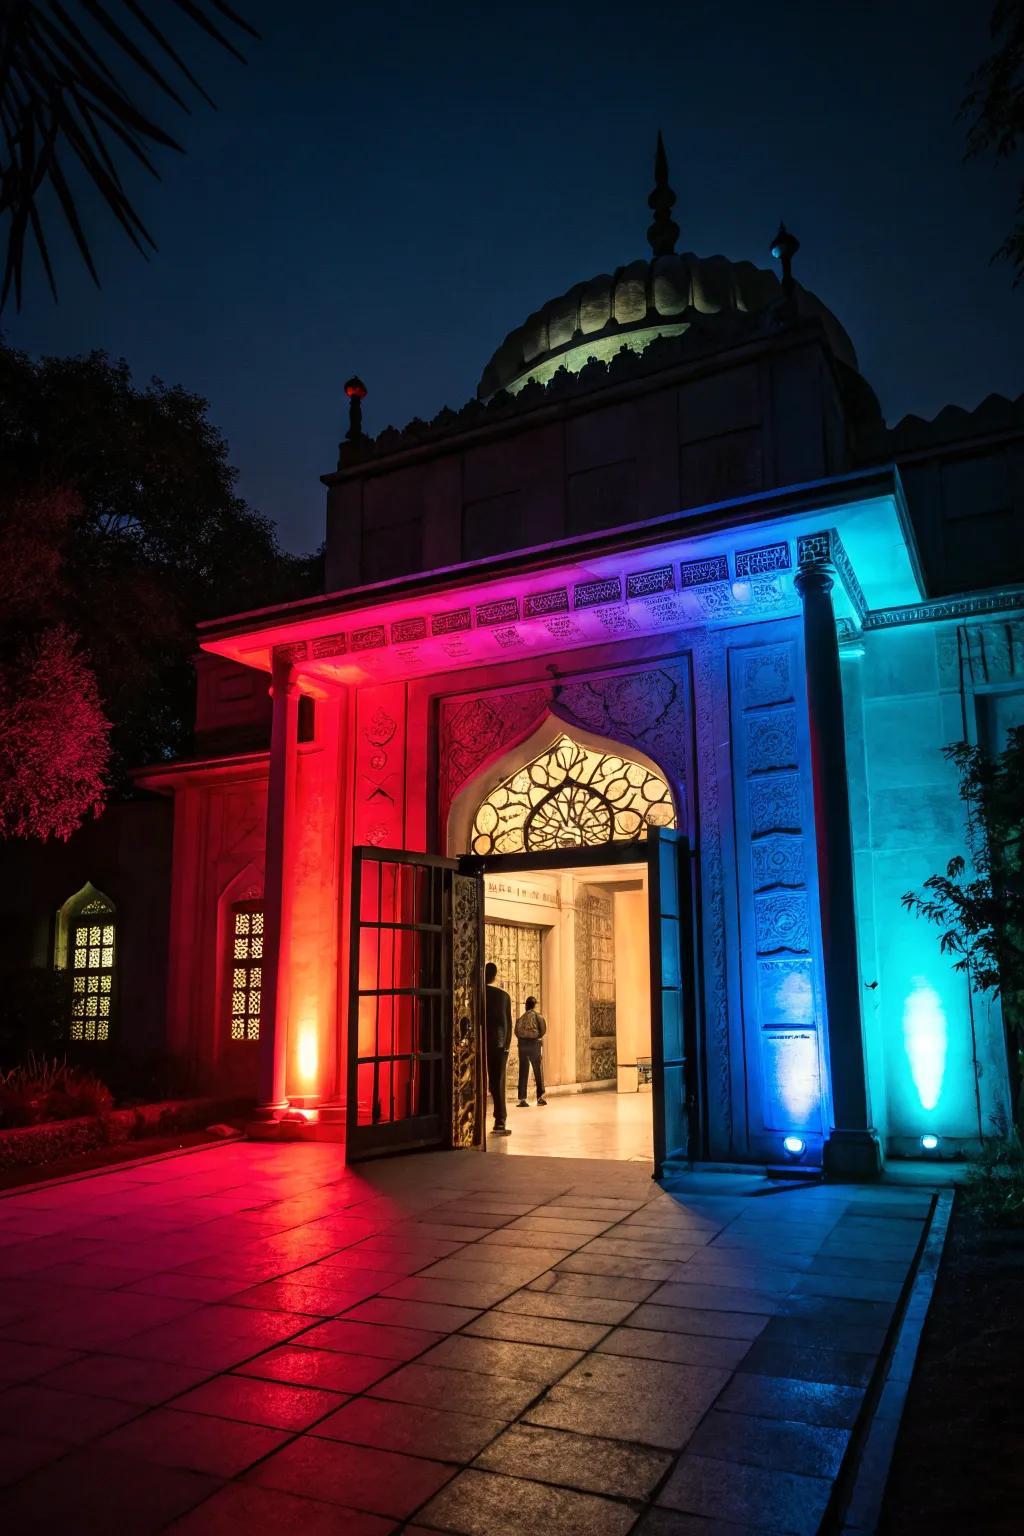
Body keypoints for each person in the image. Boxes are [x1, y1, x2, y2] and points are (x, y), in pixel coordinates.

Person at [484, 961, 512, 1135]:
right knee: (497, 1081)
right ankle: (500, 1120)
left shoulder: (477, 993)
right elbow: (507, 1024)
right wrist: (506, 1046)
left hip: (480, 1043)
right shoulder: (503, 996)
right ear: (494, 976)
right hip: (498, 1044)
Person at [515, 995, 547, 1107]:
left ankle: (522, 1099)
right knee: (538, 1071)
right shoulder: (538, 1017)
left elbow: (516, 1032)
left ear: (526, 1006)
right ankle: (540, 1098)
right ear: (534, 1005)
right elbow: (543, 1030)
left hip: (523, 1046)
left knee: (523, 1072)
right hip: (535, 1045)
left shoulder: (520, 1019)